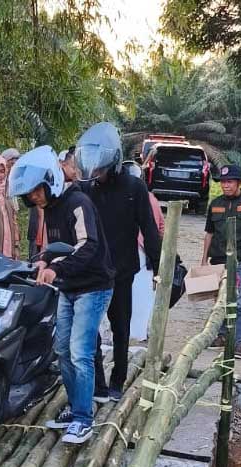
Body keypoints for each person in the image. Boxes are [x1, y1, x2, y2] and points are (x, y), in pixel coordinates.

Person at [9, 146, 114, 444]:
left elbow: (87, 244)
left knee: (81, 353)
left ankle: (84, 419)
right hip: (69, 287)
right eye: (29, 194)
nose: (33, 198)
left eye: (36, 191)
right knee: (62, 351)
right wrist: (43, 259)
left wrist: (57, 269)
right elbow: (57, 246)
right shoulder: (50, 210)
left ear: (50, 181)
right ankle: (75, 406)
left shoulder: (77, 202)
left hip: (93, 287)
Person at [75, 122, 163, 402]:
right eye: (93, 171)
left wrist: (159, 267)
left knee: (120, 327)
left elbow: (149, 228)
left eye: (100, 170)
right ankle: (97, 382)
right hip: (92, 271)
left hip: (122, 270)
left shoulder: (134, 187)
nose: (96, 175)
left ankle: (118, 379)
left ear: (112, 163)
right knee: (90, 329)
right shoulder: (87, 188)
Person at [201, 164, 241, 358]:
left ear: (239, 183)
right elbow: (209, 233)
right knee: (220, 300)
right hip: (219, 260)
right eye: (223, 182)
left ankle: (239, 343)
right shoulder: (215, 204)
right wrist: (203, 259)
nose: (225, 185)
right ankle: (220, 336)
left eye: (229, 182)